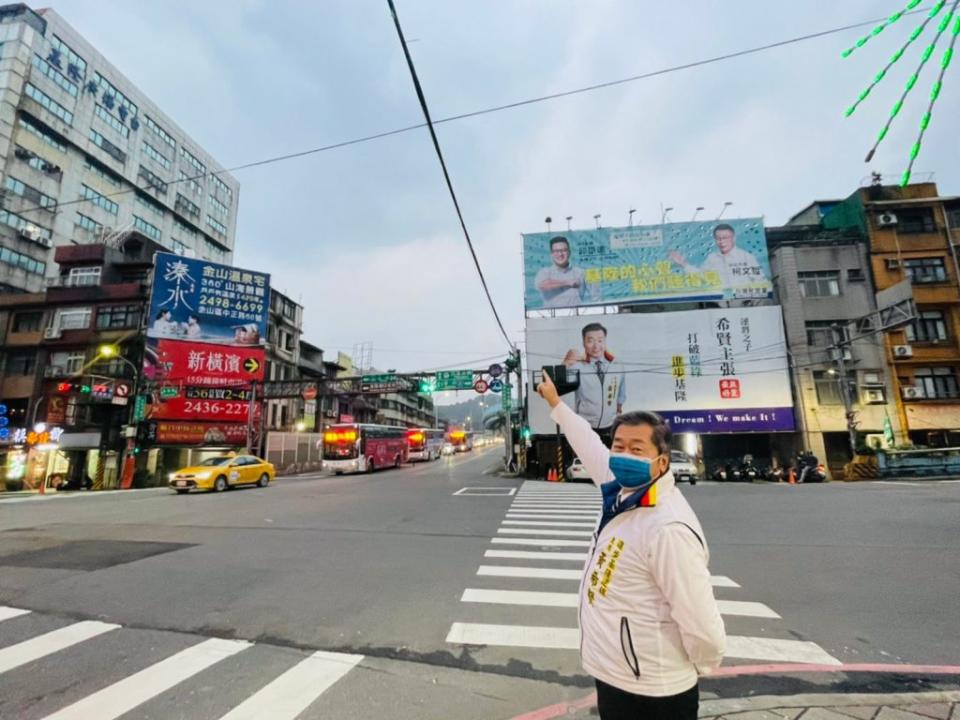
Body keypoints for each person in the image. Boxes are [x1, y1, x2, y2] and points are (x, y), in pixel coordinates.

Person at [537, 370, 726, 720]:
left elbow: (701, 622)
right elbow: (588, 444)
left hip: (655, 691)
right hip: (616, 676)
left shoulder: (667, 527)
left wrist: (691, 667)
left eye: (636, 449)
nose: (623, 455)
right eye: (618, 446)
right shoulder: (622, 489)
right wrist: (555, 403)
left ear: (662, 461)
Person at [562, 323, 626, 445]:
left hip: (610, 428)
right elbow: (556, 388)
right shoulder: (577, 367)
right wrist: (564, 365)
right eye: (590, 341)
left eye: (600, 341)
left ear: (605, 341)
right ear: (584, 343)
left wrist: (617, 415)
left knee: (608, 462)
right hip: (586, 428)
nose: (596, 346)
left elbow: (621, 395)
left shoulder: (617, 365)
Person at [668, 223, 771, 295]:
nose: (722, 241)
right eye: (718, 238)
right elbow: (702, 276)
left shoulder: (746, 257)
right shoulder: (712, 258)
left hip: (744, 302)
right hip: (719, 303)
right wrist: (684, 264)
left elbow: (761, 282)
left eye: (725, 238)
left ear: (733, 238)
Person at [534, 236, 594, 308]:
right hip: (552, 316)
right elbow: (542, 286)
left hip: (577, 315)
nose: (560, 254)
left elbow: (596, 296)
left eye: (564, 250)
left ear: (569, 252)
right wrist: (567, 282)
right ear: (551, 254)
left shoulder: (581, 272)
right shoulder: (545, 272)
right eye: (556, 251)